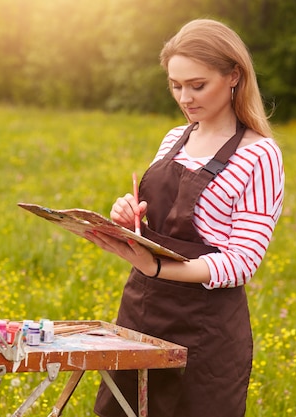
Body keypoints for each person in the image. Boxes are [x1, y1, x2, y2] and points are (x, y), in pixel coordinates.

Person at [87, 18, 284, 417]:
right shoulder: (173, 139)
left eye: (197, 85)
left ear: (233, 77)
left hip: (205, 330)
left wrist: (158, 267)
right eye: (176, 85)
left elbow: (243, 262)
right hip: (141, 312)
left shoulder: (260, 155)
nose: (185, 97)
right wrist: (129, 219)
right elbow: (156, 227)